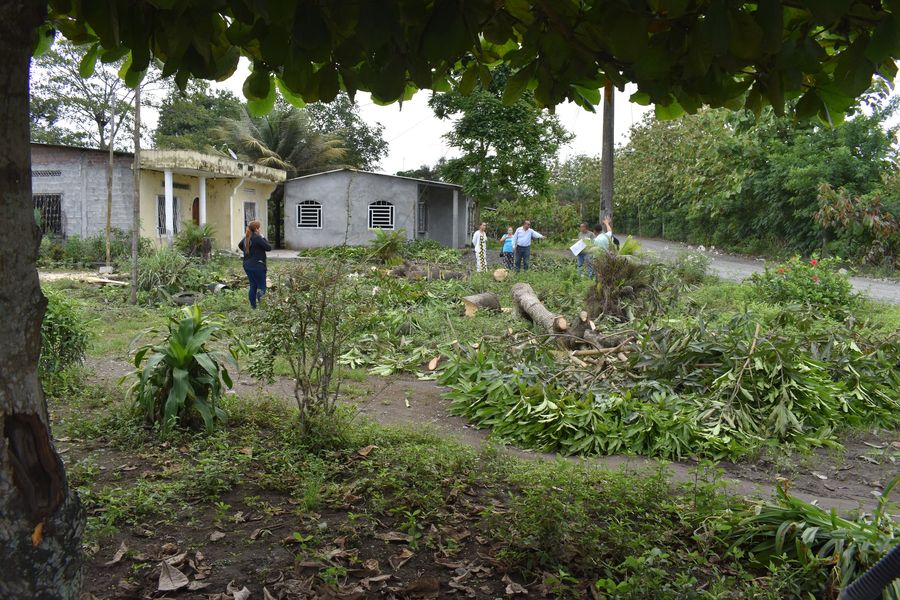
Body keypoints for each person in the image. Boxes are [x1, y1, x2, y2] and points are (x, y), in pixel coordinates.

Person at [237, 219, 271, 309]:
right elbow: (268, 248)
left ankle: (253, 308)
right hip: (258, 266)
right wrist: (262, 237)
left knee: (253, 286)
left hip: (247, 265)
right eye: (259, 228)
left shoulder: (246, 238)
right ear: (256, 229)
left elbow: (240, 245)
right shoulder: (258, 238)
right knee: (262, 287)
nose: (260, 229)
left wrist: (249, 251)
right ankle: (262, 306)